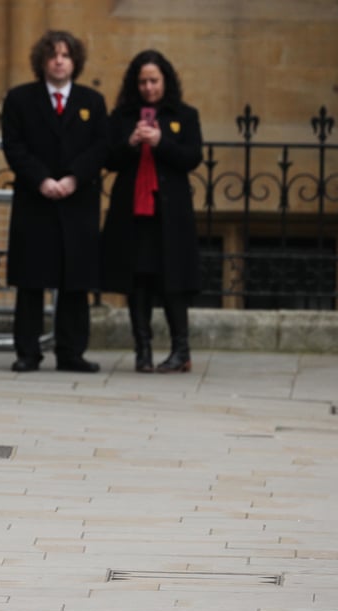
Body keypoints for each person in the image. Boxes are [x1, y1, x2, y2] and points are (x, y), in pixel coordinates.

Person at [2, 29, 109, 374]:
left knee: (75, 281)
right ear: (42, 61)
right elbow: (14, 146)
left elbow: (100, 146)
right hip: (36, 199)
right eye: (53, 55)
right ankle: (28, 352)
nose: (59, 61)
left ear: (74, 61)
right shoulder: (20, 99)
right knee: (32, 280)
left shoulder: (92, 101)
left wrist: (73, 177)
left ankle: (71, 352)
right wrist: (43, 179)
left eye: (65, 55)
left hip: (78, 200)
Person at [101, 50, 203, 373]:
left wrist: (161, 141)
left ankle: (180, 350)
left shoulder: (184, 115)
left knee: (173, 280)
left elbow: (192, 157)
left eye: (154, 81)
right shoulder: (121, 116)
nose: (148, 87)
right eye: (142, 81)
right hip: (133, 213)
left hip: (169, 214)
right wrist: (131, 142)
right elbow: (108, 159)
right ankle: (142, 350)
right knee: (139, 280)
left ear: (165, 81)